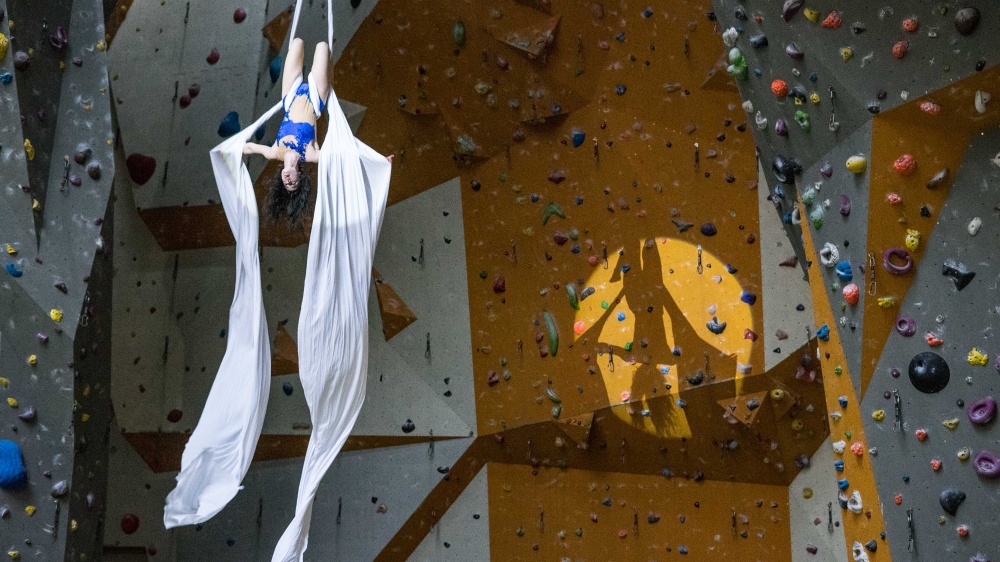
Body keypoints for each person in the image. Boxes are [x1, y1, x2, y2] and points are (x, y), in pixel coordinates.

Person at [242, 38, 391, 226]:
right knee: (322, 46)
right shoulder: (310, 155)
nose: (289, 181)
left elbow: (248, 147)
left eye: (286, 184)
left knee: (297, 42)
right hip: (315, 97)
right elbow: (345, 156)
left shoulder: (274, 152)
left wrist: (231, 150)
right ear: (300, 177)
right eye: (293, 183)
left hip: (290, 96)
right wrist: (378, 160)